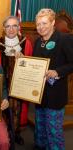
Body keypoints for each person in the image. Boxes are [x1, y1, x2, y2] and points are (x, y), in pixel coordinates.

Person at [0, 16, 33, 144]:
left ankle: (16, 133)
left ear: (18, 27)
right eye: (8, 26)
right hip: (2, 85)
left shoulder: (26, 43)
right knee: (2, 109)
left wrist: (24, 60)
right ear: (4, 28)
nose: (11, 29)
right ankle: (0, 133)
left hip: (20, 84)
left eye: (14, 26)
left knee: (19, 109)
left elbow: (32, 66)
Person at [33, 8, 73, 150]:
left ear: (53, 23)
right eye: (38, 24)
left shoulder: (64, 39)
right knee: (41, 128)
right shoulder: (37, 42)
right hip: (39, 94)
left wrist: (57, 71)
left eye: (44, 23)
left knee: (53, 131)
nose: (41, 27)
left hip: (55, 95)